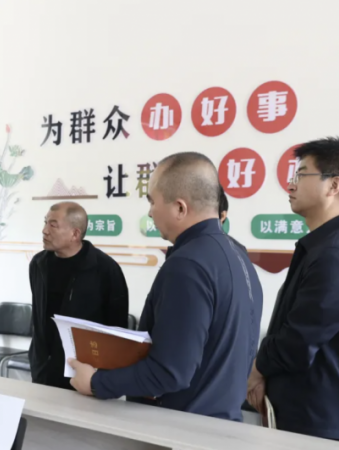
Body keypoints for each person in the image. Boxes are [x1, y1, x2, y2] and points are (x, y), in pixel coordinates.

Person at [68, 152, 263, 421]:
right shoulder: (237, 254)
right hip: (221, 423)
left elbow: (170, 372)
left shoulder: (188, 265)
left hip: (182, 427)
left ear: (180, 208)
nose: (149, 212)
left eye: (152, 201)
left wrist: (96, 382)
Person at [247, 137, 339, 440]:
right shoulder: (320, 247)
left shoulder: (332, 253)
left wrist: (259, 367)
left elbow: (300, 340)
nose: (290, 185)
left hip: (315, 420)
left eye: (301, 175)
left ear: (334, 185)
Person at [29, 201, 129, 390]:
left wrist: (103, 376)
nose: (45, 230)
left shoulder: (105, 269)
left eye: (53, 225)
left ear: (75, 234)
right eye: (45, 222)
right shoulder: (38, 264)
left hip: (84, 373)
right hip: (42, 369)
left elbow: (116, 328)